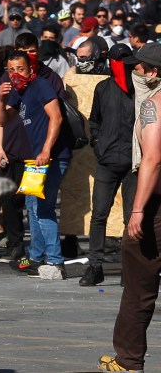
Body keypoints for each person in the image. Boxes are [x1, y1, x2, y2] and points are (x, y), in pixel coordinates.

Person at [97, 42, 161, 373]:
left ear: (152, 73)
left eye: (138, 68)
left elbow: (151, 159)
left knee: (138, 285)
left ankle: (128, 360)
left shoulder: (153, 105)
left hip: (155, 205)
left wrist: (137, 211)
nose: (134, 71)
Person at [0, 50, 73, 280]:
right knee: (32, 206)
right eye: (11, 70)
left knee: (43, 207)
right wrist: (1, 99)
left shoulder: (40, 85)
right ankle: (36, 257)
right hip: (36, 161)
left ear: (30, 68)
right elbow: (3, 120)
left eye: (20, 69)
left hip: (52, 157)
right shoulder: (18, 92)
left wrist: (47, 150)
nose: (15, 74)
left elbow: (56, 117)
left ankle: (55, 261)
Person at [81, 44, 137, 286]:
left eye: (126, 59)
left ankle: (131, 269)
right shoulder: (102, 88)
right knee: (99, 215)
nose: (121, 64)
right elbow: (94, 120)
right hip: (107, 161)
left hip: (134, 164)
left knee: (132, 219)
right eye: (117, 59)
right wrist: (96, 142)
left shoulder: (140, 89)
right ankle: (95, 265)